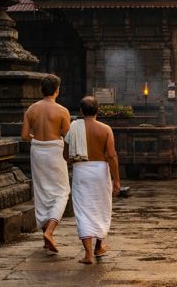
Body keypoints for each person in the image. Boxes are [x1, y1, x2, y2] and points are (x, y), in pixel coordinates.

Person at [65, 96, 121, 265]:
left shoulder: (73, 128)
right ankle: (99, 246)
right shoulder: (105, 129)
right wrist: (116, 180)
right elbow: (111, 155)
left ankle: (89, 254)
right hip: (100, 172)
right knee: (100, 207)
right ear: (98, 111)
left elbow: (65, 156)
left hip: (81, 170)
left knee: (83, 210)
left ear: (81, 111)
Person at [21, 74, 71, 253]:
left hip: (37, 151)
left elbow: (25, 135)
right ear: (57, 90)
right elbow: (68, 136)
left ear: (41, 90)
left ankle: (46, 237)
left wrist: (38, 138)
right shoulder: (62, 111)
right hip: (54, 151)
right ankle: (49, 232)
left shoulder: (31, 109)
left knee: (41, 191)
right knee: (62, 192)